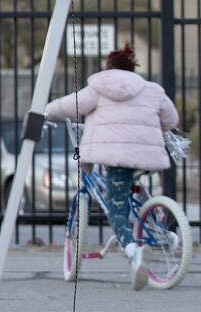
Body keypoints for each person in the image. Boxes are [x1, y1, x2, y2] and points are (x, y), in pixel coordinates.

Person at [45, 42, 178, 291]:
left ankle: (134, 252)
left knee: (116, 212)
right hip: (145, 155)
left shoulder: (99, 87)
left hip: (116, 157)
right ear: (132, 69)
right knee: (131, 187)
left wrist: (45, 111)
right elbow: (171, 120)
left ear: (108, 68)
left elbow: (71, 105)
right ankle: (156, 221)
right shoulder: (152, 90)